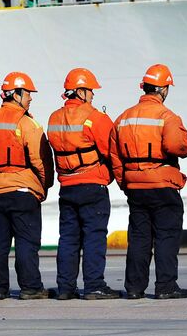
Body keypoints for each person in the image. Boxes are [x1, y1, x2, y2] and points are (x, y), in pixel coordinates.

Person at [110, 64, 187, 300]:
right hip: (162, 185)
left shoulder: (123, 118)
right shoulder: (167, 117)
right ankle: (166, 286)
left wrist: (125, 183)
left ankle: (134, 288)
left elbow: (115, 156)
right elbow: (177, 146)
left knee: (139, 238)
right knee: (166, 236)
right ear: (163, 89)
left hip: (136, 188)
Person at [0, 72, 54, 300]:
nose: (31, 98)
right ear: (17, 94)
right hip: (23, 191)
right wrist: (45, 185)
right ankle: (30, 287)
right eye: (28, 94)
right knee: (26, 241)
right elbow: (41, 160)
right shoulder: (26, 123)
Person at [46, 68, 120, 300]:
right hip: (92, 185)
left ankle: (66, 287)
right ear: (80, 91)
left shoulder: (53, 118)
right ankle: (94, 286)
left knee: (68, 238)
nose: (92, 95)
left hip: (67, 187)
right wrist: (116, 177)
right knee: (94, 236)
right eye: (90, 91)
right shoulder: (96, 118)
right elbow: (112, 151)